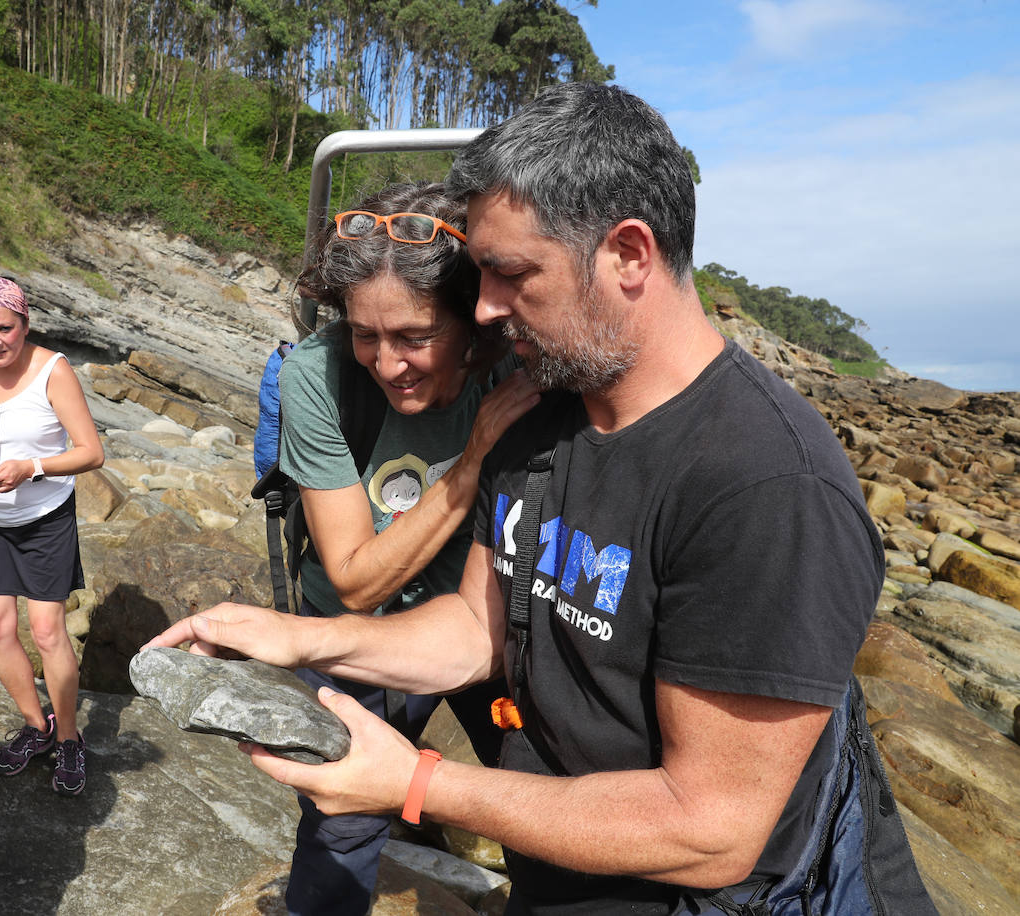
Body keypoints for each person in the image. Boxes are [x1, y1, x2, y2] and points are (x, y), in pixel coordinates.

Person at [148, 83, 920, 914]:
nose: (482, 308)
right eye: (482, 274)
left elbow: (710, 829)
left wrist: (416, 783)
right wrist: (299, 640)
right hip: (556, 881)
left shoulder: (768, 489)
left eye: (512, 275)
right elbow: (478, 627)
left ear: (629, 254)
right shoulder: (540, 414)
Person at [275, 182, 539, 915]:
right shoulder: (319, 378)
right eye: (367, 334)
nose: (388, 364)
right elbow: (356, 579)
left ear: (477, 326)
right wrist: (472, 459)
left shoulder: (521, 366)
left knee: (546, 808)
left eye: (415, 338)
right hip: (365, 632)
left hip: (481, 617)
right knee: (342, 822)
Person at [0, 275, 103, 796]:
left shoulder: (53, 370)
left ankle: (70, 738)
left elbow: (90, 452)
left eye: (5, 327)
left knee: (49, 631)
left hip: (44, 518)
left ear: (25, 324)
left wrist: (31, 468)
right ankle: (37, 725)